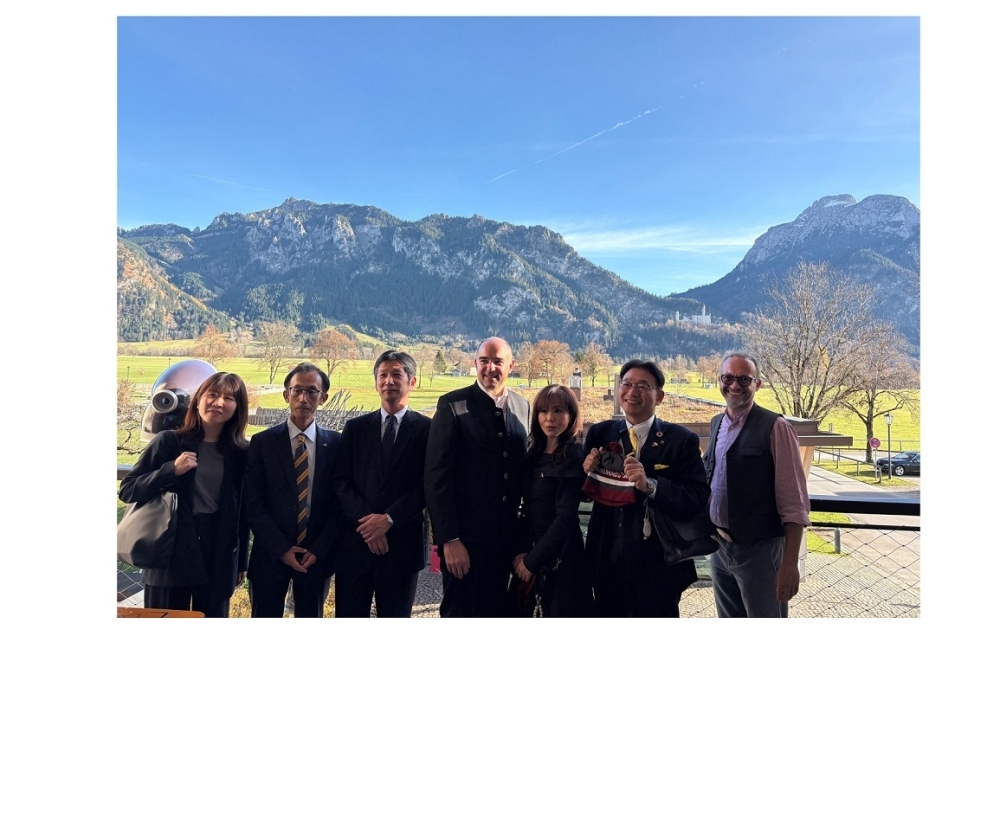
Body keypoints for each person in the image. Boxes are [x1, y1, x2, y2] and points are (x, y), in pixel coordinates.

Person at [583, 360, 709, 617]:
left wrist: (651, 485)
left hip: (659, 565)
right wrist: (585, 472)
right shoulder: (599, 434)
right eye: (627, 384)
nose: (632, 392)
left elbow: (697, 498)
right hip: (606, 562)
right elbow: (581, 492)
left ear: (659, 396)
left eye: (643, 386)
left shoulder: (681, 440)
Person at [119, 371, 251, 618]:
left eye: (228, 398)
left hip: (217, 553)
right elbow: (128, 489)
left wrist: (240, 562)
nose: (218, 403)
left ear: (238, 407)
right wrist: (171, 470)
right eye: (212, 395)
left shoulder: (241, 453)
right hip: (169, 550)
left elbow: (242, 512)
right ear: (198, 399)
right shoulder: (168, 442)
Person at [424, 337, 530, 617]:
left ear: (511, 366)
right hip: (464, 543)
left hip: (506, 544)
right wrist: (449, 539)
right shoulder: (452, 405)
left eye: (497, 361)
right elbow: (436, 477)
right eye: (484, 361)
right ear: (475, 363)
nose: (490, 368)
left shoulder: (523, 406)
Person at [703, 352, 810, 618]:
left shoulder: (776, 427)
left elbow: (794, 502)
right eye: (728, 378)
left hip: (761, 552)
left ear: (757, 384)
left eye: (744, 379)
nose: (734, 385)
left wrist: (790, 564)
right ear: (719, 380)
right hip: (720, 548)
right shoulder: (717, 423)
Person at [332, 350, 431, 617]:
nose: (389, 381)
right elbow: (341, 481)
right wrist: (370, 526)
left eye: (396, 374)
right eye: (382, 375)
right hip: (356, 546)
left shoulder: (428, 430)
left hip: (402, 548)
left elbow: (429, 485)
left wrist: (389, 519)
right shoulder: (355, 428)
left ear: (412, 382)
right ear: (376, 382)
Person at [244, 363, 342, 618]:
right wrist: (281, 549)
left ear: (323, 398)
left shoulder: (336, 444)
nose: (303, 398)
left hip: (315, 558)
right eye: (297, 390)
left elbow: (339, 504)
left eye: (312, 391)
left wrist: (319, 549)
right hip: (270, 555)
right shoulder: (263, 442)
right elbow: (253, 503)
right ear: (286, 394)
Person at [510, 385, 593, 617]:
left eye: (558, 411)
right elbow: (525, 510)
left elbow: (564, 519)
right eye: (544, 411)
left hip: (562, 559)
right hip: (529, 553)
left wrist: (531, 562)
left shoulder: (574, 456)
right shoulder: (532, 456)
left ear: (571, 416)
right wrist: (520, 553)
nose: (550, 418)